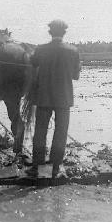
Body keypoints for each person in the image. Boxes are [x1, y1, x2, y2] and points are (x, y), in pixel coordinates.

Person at [27, 19, 81, 178]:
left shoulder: (41, 49)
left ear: (50, 33)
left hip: (43, 97)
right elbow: (76, 76)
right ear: (64, 33)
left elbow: (33, 63)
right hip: (63, 99)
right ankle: (56, 167)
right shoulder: (73, 51)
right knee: (61, 132)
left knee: (40, 131)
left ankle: (36, 166)